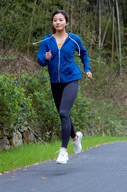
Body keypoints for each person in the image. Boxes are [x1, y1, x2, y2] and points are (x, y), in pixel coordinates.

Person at [37, 10, 92, 164]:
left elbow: (83, 53)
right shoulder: (46, 40)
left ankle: (63, 151)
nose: (58, 22)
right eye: (55, 20)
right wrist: (45, 58)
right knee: (63, 114)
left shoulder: (74, 39)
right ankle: (75, 137)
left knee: (63, 112)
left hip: (72, 79)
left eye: (61, 20)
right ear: (53, 23)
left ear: (66, 22)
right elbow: (40, 60)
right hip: (55, 81)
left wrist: (87, 68)